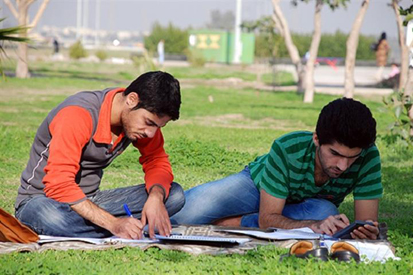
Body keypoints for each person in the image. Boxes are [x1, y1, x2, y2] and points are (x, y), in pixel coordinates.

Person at [171, 98, 382, 240]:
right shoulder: (287, 148)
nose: (342, 166)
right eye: (335, 154)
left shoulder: (368, 156)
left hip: (306, 206)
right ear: (317, 139)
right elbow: (268, 219)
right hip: (257, 185)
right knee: (180, 215)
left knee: (326, 213)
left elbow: (365, 223)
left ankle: (233, 221)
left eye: (351, 158)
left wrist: (365, 231)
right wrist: (312, 226)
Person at [15, 71, 184, 239]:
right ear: (132, 100)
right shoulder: (78, 114)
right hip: (42, 200)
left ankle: (97, 228)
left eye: (159, 127)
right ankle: (121, 229)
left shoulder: (140, 125)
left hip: (91, 201)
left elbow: (156, 161)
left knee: (173, 195)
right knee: (51, 218)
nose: (151, 133)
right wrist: (113, 224)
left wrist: (155, 197)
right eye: (148, 123)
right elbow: (58, 185)